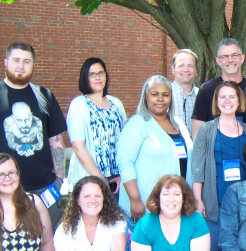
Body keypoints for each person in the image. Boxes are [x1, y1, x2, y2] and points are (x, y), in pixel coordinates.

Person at [0, 41, 67, 234]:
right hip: (3, 189)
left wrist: (59, 179)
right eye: (16, 60)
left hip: (44, 190)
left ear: (33, 64)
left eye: (27, 61)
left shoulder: (45, 96)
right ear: (6, 62)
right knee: (7, 243)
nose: (21, 66)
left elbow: (56, 139)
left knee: (48, 242)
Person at [193, 81, 246, 251]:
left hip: (243, 203)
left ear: (239, 101)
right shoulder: (206, 130)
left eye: (232, 97)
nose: (227, 101)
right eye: (222, 97)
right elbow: (197, 168)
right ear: (216, 101)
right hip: (215, 202)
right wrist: (198, 199)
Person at [117, 75, 193, 222]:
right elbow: (125, 162)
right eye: (155, 94)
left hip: (177, 201)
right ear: (146, 97)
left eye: (165, 95)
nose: (160, 99)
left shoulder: (178, 123)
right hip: (147, 200)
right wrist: (135, 199)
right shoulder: (137, 124)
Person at [65, 57, 127, 195]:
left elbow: (125, 141)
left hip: (117, 180)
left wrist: (123, 175)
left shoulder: (116, 103)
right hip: (91, 180)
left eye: (101, 73)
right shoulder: (79, 104)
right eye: (92, 74)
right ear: (85, 78)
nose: (97, 77)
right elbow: (78, 147)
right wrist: (100, 179)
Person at [191, 38, 246, 136]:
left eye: (234, 55)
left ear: (242, 58)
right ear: (218, 61)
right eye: (225, 56)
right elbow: (197, 134)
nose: (230, 60)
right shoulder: (206, 89)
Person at [170, 49, 199, 136]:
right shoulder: (164, 95)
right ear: (173, 70)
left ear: (196, 71)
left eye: (190, 66)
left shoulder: (202, 95)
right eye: (181, 66)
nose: (186, 70)